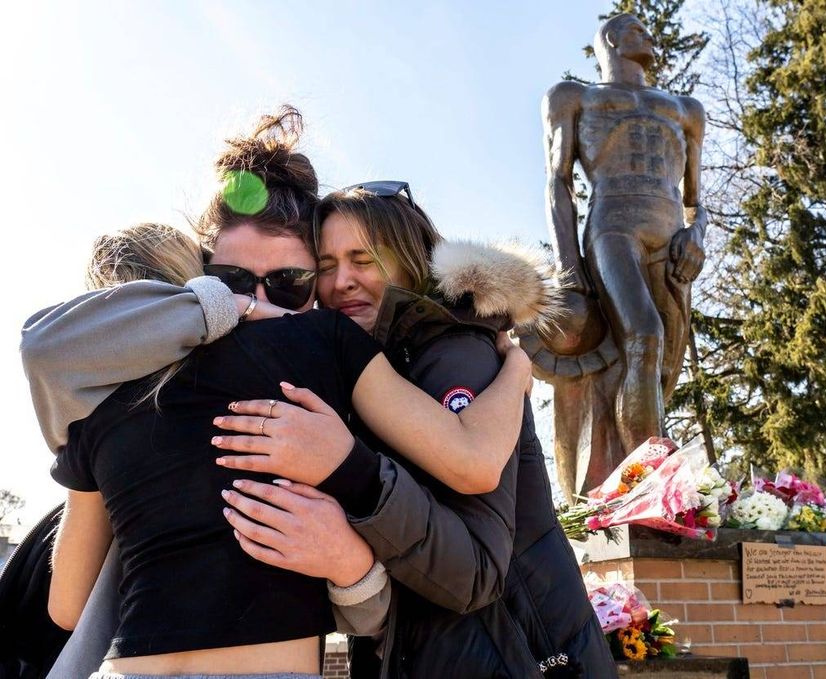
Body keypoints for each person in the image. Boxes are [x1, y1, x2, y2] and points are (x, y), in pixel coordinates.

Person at [22, 121, 615, 676]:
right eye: (232, 285)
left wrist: (511, 370)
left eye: (289, 284)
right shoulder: (314, 355)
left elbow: (467, 545)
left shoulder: (412, 357)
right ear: (199, 283)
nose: (262, 304)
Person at [535, 12, 708, 497]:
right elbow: (559, 183)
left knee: (663, 371)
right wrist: (570, 274)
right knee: (643, 335)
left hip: (672, 243)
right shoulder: (574, 97)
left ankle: (631, 476)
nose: (649, 36)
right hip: (613, 228)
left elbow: (696, 201)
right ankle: (655, 485)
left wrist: (699, 234)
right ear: (611, 39)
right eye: (636, 29)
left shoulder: (685, 110)